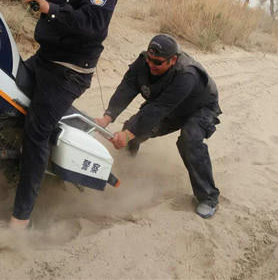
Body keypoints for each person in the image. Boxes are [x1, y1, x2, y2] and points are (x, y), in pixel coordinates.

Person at [9, 0, 118, 229]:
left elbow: (92, 25)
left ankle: (21, 218)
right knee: (0, 89)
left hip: (69, 71)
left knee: (37, 131)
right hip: (45, 58)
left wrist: (46, 6)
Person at [95, 34, 222, 219]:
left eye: (158, 62)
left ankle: (209, 197)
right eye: (149, 59)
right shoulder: (143, 62)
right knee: (131, 127)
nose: (151, 65)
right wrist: (108, 117)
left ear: (173, 60)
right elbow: (127, 87)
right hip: (171, 104)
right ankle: (127, 167)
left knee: (190, 139)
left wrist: (128, 135)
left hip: (200, 107)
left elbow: (158, 109)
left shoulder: (187, 74)